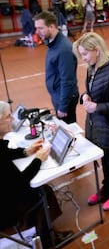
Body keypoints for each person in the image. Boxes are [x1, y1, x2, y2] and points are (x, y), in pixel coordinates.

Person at [0, 101, 73, 248]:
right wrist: (39, 159)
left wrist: (26, 151)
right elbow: (22, 181)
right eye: (8, 117)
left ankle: (41, 229)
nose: (13, 120)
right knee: (43, 191)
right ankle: (49, 240)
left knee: (41, 189)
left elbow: (5, 154)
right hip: (4, 210)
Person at [72, 32, 109, 211]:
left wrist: (97, 107)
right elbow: (89, 88)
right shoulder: (93, 66)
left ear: (96, 50)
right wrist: (85, 95)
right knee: (103, 158)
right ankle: (107, 188)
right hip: (96, 123)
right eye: (81, 54)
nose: (83, 58)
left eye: (85, 54)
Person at [34, 11, 79, 124]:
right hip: (58, 94)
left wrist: (63, 106)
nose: (37, 32)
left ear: (52, 27)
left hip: (64, 97)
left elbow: (68, 80)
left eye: (40, 28)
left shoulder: (63, 49)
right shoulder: (52, 43)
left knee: (68, 130)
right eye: (36, 28)